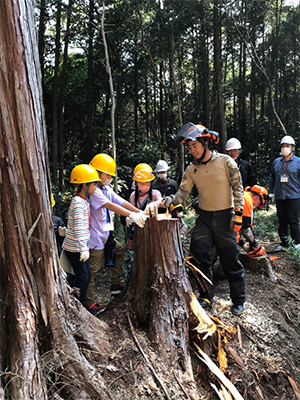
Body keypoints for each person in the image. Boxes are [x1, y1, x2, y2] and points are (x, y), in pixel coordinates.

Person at [164, 122, 246, 316]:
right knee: (199, 253)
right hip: (204, 217)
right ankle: (206, 294)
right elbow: (182, 193)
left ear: (205, 142)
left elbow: (238, 186)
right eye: (189, 147)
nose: (192, 150)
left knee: (230, 258)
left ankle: (238, 299)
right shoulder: (192, 170)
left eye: (195, 145)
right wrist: (167, 201)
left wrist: (239, 212)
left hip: (225, 216)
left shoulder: (226, 162)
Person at [86, 153, 147, 315]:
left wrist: (139, 211)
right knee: (93, 270)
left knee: (119, 251)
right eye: (108, 175)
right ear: (98, 173)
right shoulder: (94, 191)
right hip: (95, 238)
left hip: (107, 236)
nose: (110, 178)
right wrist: (131, 216)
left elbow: (120, 201)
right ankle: (89, 303)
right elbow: (111, 206)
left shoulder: (105, 189)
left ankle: (115, 284)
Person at [62, 164, 99, 307]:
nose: (96, 186)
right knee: (83, 278)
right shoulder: (78, 203)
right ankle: (75, 305)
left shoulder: (83, 201)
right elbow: (78, 227)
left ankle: (79, 305)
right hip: (75, 248)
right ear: (85, 185)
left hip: (80, 247)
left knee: (87, 276)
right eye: (94, 183)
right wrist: (83, 248)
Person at [268, 135, 300, 251]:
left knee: (294, 221)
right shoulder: (276, 162)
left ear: (293, 148)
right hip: (280, 196)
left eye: (287, 146)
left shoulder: (298, 162)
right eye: (283, 146)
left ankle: (296, 242)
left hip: (294, 196)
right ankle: (284, 243)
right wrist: (271, 192)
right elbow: (272, 177)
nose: (285, 148)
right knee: (282, 221)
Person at [238, 185, 269, 257]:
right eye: (259, 203)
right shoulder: (247, 200)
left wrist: (243, 244)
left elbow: (240, 225)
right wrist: (255, 244)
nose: (257, 206)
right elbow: (245, 227)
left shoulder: (244, 195)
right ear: (257, 198)